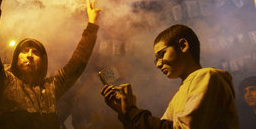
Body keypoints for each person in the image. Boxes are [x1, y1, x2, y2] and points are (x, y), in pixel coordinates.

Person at [0, 0, 101, 129]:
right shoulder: (3, 82)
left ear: (43, 62)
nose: (29, 55)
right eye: (24, 51)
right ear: (16, 58)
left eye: (35, 52)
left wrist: (92, 26)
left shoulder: (51, 88)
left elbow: (77, 64)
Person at [101, 24, 239, 128]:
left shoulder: (207, 77)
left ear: (183, 45)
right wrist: (125, 113)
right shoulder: (180, 93)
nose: (158, 65)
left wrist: (132, 112)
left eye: (161, 55)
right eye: (156, 60)